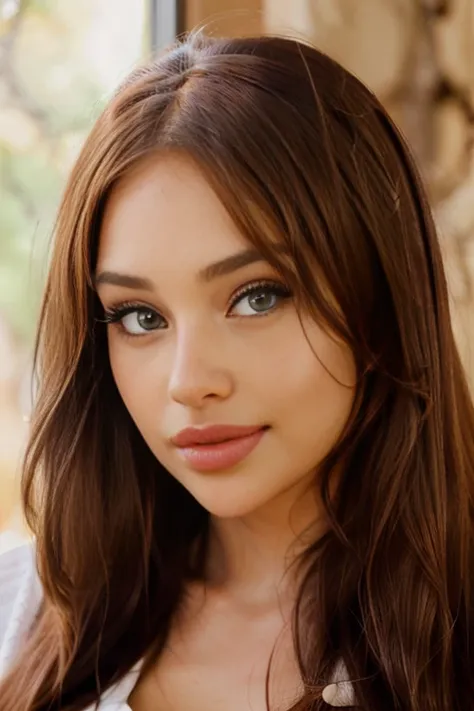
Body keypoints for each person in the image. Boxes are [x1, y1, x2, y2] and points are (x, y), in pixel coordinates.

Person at [0, 30, 473, 711]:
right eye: (140, 316)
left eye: (257, 297)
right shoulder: (26, 619)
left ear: (380, 296)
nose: (188, 381)